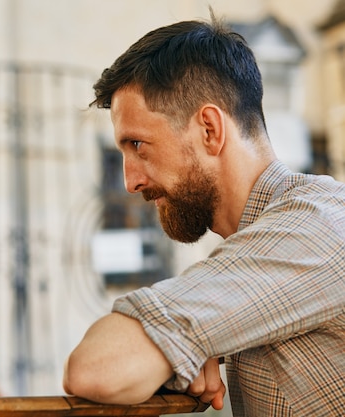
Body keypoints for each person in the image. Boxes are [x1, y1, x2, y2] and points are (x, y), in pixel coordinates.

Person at [63, 14, 345, 417]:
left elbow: (97, 369)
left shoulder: (312, 232)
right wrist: (188, 347)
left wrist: (181, 343)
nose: (130, 181)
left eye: (139, 145)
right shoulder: (286, 234)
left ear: (210, 129)